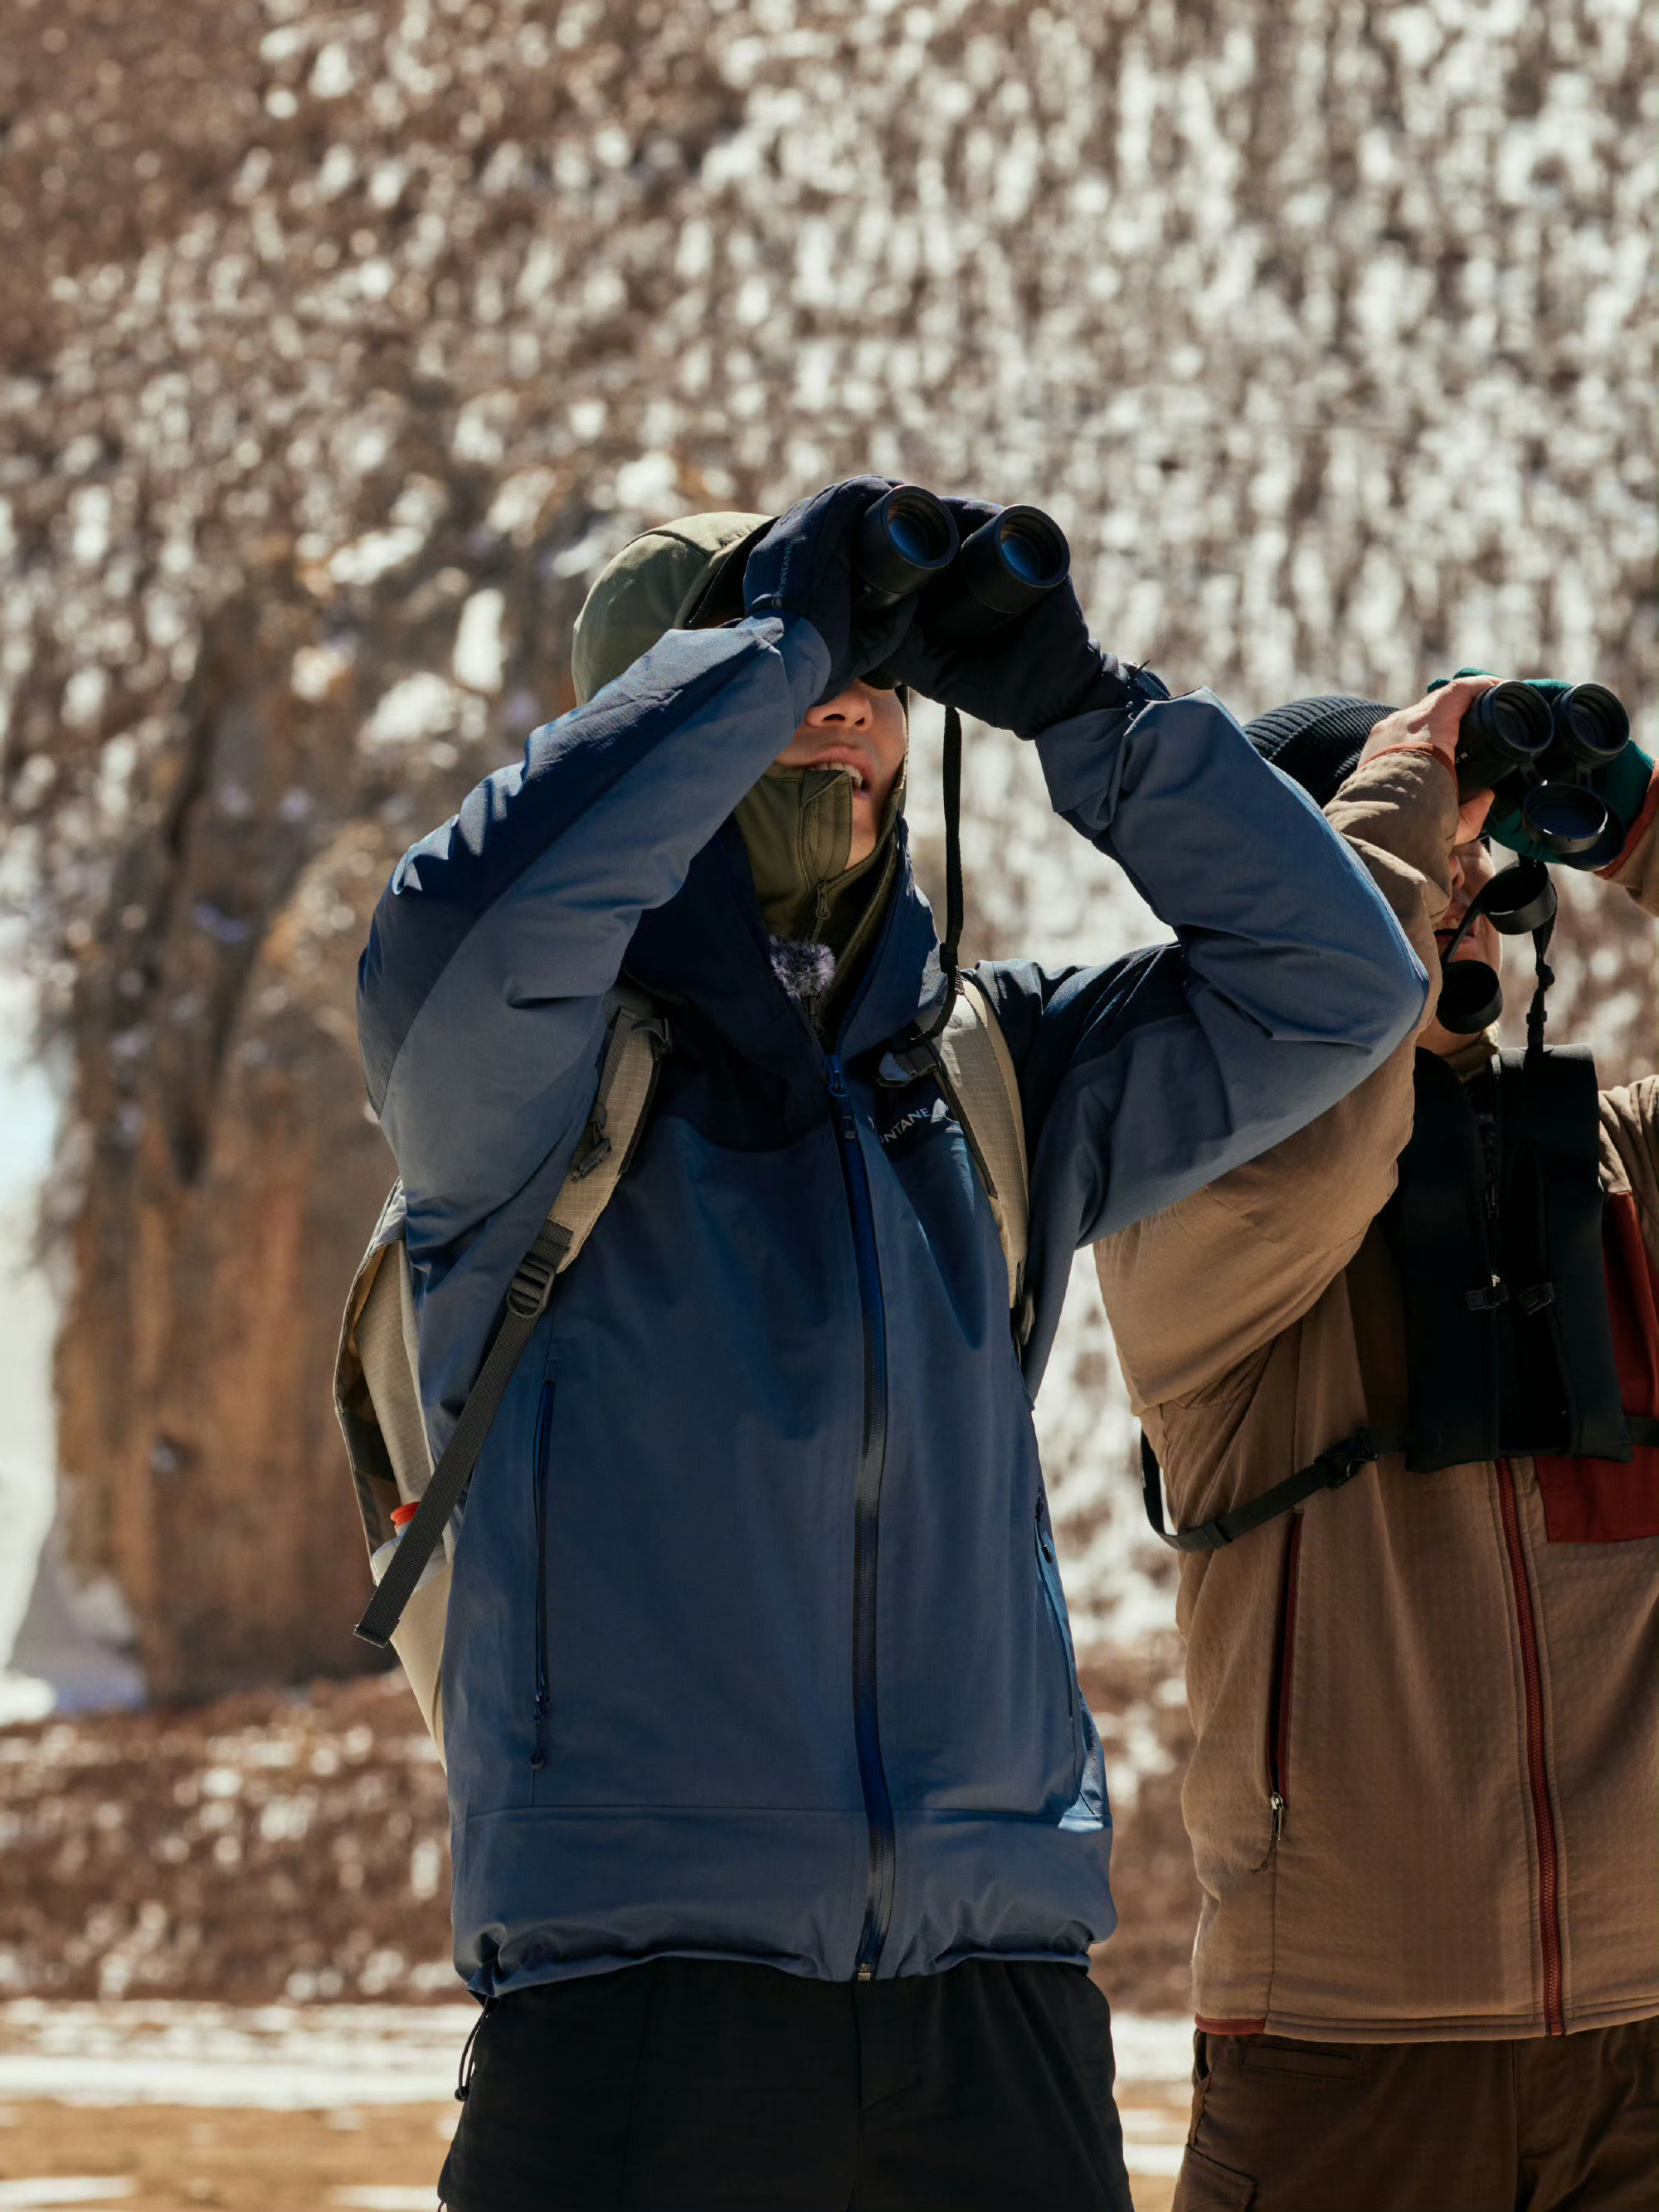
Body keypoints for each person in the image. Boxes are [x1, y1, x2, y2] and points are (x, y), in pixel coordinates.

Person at [355, 477, 1427, 2210]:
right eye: (786, 660)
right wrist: (775, 643)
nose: (846, 699)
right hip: (639, 2015)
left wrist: (1088, 711)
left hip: (995, 2018)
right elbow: (456, 927)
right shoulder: (523, 1091)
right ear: (661, 711)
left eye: (877, 672)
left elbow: (1335, 981)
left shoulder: (990, 1076)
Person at [1093, 675, 1658, 2212]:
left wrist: (1641, 829)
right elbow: (1321, 1119)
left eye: (1474, 870)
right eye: (1427, 870)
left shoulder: (1612, 1168)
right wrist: (1402, 786)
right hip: (1348, 2052)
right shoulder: (1182, 1178)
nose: (1458, 901)